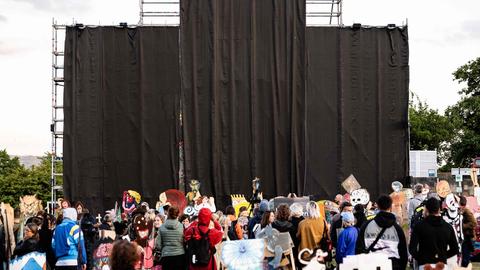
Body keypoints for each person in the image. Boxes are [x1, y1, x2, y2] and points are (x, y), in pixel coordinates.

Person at [356, 195, 407, 270]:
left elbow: (359, 248)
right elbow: (403, 252)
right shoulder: (397, 229)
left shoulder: (366, 225)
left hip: (371, 264)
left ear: (378, 206)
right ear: (390, 207)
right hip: (392, 265)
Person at [409, 197, 459, 269]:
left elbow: (412, 249)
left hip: (425, 265)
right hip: (442, 265)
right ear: (439, 209)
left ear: (426, 209)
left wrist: (421, 258)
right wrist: (442, 256)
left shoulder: (419, 226)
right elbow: (455, 249)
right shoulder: (448, 227)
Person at [460, 195, 477, 267]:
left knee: (465, 259)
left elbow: (474, 223)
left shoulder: (467, 211)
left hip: (468, 238)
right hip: (466, 237)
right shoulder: (462, 211)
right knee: (465, 258)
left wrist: (462, 226)